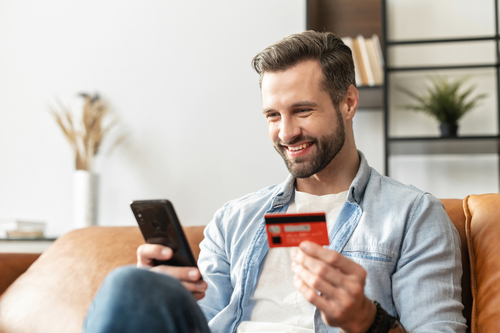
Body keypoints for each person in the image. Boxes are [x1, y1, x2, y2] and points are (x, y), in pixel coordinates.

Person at [84, 31, 467, 333]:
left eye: (302, 110)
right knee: (129, 283)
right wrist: (162, 295)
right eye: (272, 115)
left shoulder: (412, 216)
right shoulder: (234, 219)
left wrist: (368, 321)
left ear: (348, 102)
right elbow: (202, 320)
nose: (286, 133)